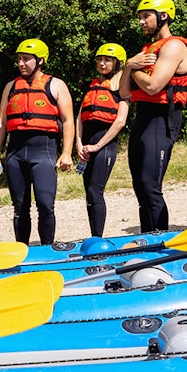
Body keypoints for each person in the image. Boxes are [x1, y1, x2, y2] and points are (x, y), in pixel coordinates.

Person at [0, 38, 76, 246]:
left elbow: (68, 120)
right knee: (20, 207)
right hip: (15, 153)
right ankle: (22, 249)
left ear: (40, 61)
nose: (21, 64)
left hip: (43, 152)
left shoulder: (56, 85)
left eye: (26, 59)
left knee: (45, 205)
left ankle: (46, 249)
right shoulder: (11, 87)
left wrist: (66, 152)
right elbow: (1, 121)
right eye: (19, 59)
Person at [119, 0, 187, 233]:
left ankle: (159, 242)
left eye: (145, 17)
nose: (141, 22)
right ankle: (146, 239)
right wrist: (129, 67)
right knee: (140, 186)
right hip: (143, 118)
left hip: (162, 118)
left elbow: (153, 86)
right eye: (140, 17)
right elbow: (124, 92)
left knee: (151, 186)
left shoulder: (173, 46)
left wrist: (132, 69)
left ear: (163, 16)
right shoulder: (146, 51)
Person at [75, 44, 130, 238]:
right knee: (88, 194)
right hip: (87, 145)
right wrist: (79, 144)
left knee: (95, 190)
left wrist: (97, 146)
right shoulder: (93, 84)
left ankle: (98, 238)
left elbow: (120, 121)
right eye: (100, 59)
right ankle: (93, 236)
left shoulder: (120, 86)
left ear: (117, 63)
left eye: (107, 59)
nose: (102, 63)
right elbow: (80, 116)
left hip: (104, 145)